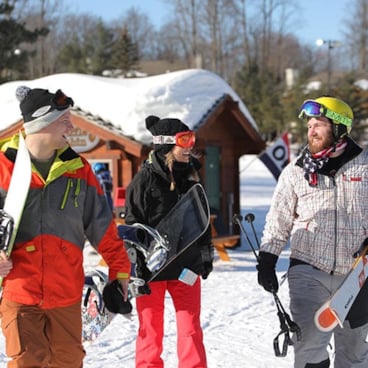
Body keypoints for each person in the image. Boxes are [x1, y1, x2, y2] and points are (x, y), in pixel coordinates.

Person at [0, 85, 131, 367]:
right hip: (20, 292)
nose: (71, 127)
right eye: (64, 120)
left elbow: (102, 227)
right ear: (42, 124)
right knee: (27, 362)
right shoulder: (3, 167)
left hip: (66, 294)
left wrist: (119, 270)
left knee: (67, 362)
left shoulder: (79, 170)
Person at [257, 96, 368, 368]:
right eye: (309, 125)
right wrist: (268, 259)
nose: (312, 131)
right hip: (308, 270)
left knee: (354, 354)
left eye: (319, 124)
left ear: (339, 128)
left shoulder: (365, 166)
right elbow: (278, 219)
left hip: (357, 274)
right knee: (308, 349)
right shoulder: (295, 171)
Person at [124, 115, 214, 368]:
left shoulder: (192, 176)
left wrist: (206, 254)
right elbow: (132, 227)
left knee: (191, 329)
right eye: (184, 140)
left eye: (191, 139)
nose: (189, 146)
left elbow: (202, 219)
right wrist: (136, 266)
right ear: (165, 145)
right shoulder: (144, 181)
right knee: (150, 330)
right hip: (152, 269)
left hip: (186, 265)